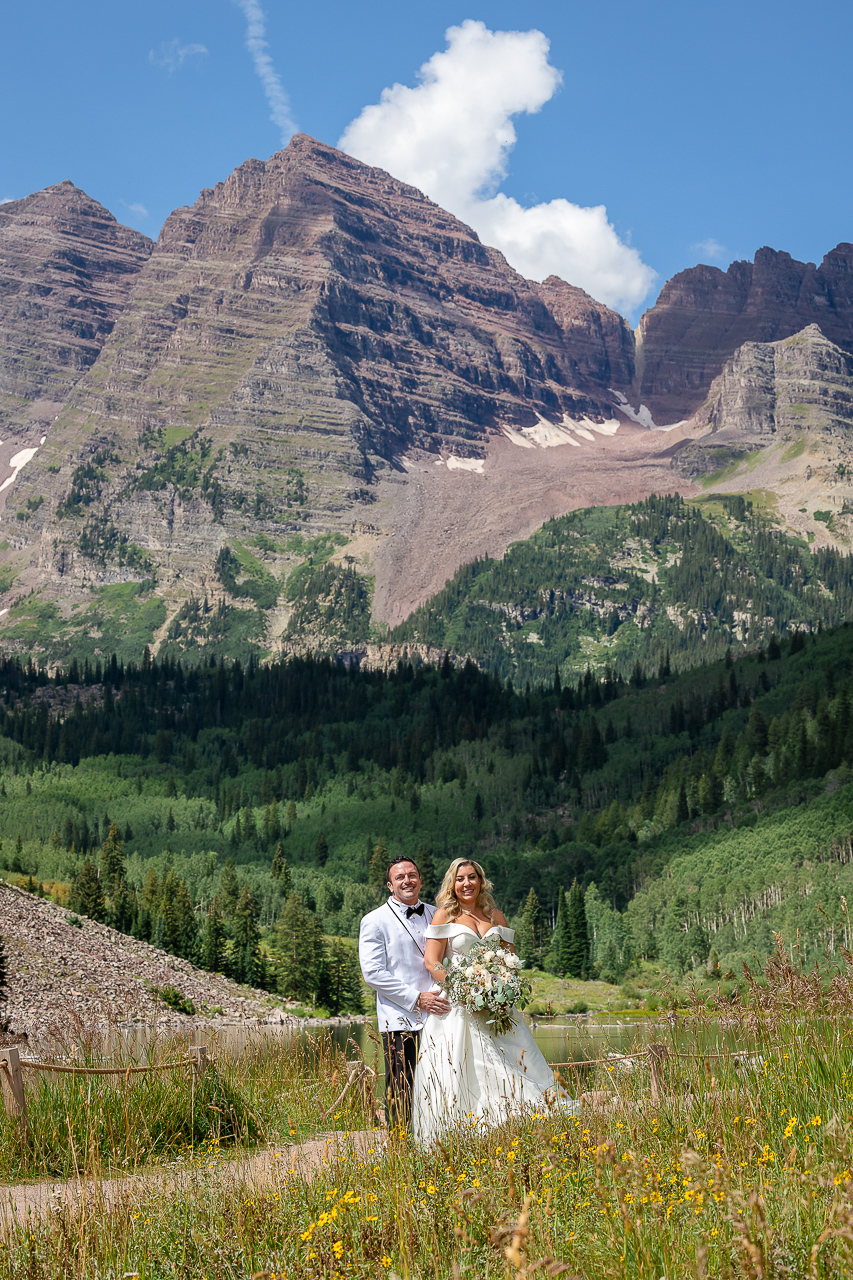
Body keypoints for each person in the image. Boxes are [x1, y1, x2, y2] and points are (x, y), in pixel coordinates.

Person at [412, 856, 578, 1145]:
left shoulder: (495, 916)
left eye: (472, 877)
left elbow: (510, 961)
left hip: (497, 1005)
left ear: (481, 881)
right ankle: (465, 1129)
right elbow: (432, 962)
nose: (466, 884)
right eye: (460, 879)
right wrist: (462, 987)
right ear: (452, 883)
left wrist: (501, 988)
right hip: (459, 1006)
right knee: (468, 1066)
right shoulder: (444, 916)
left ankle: (519, 1121)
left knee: (516, 1060)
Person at [358, 856, 450, 1127]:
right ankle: (400, 1148)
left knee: (440, 1080)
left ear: (420, 881)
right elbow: (373, 973)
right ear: (390, 884)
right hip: (400, 1016)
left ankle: (436, 1138)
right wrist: (417, 998)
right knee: (401, 1084)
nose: (407, 881)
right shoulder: (374, 920)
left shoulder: (438, 914)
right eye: (400, 877)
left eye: (412, 875)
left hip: (441, 1014)